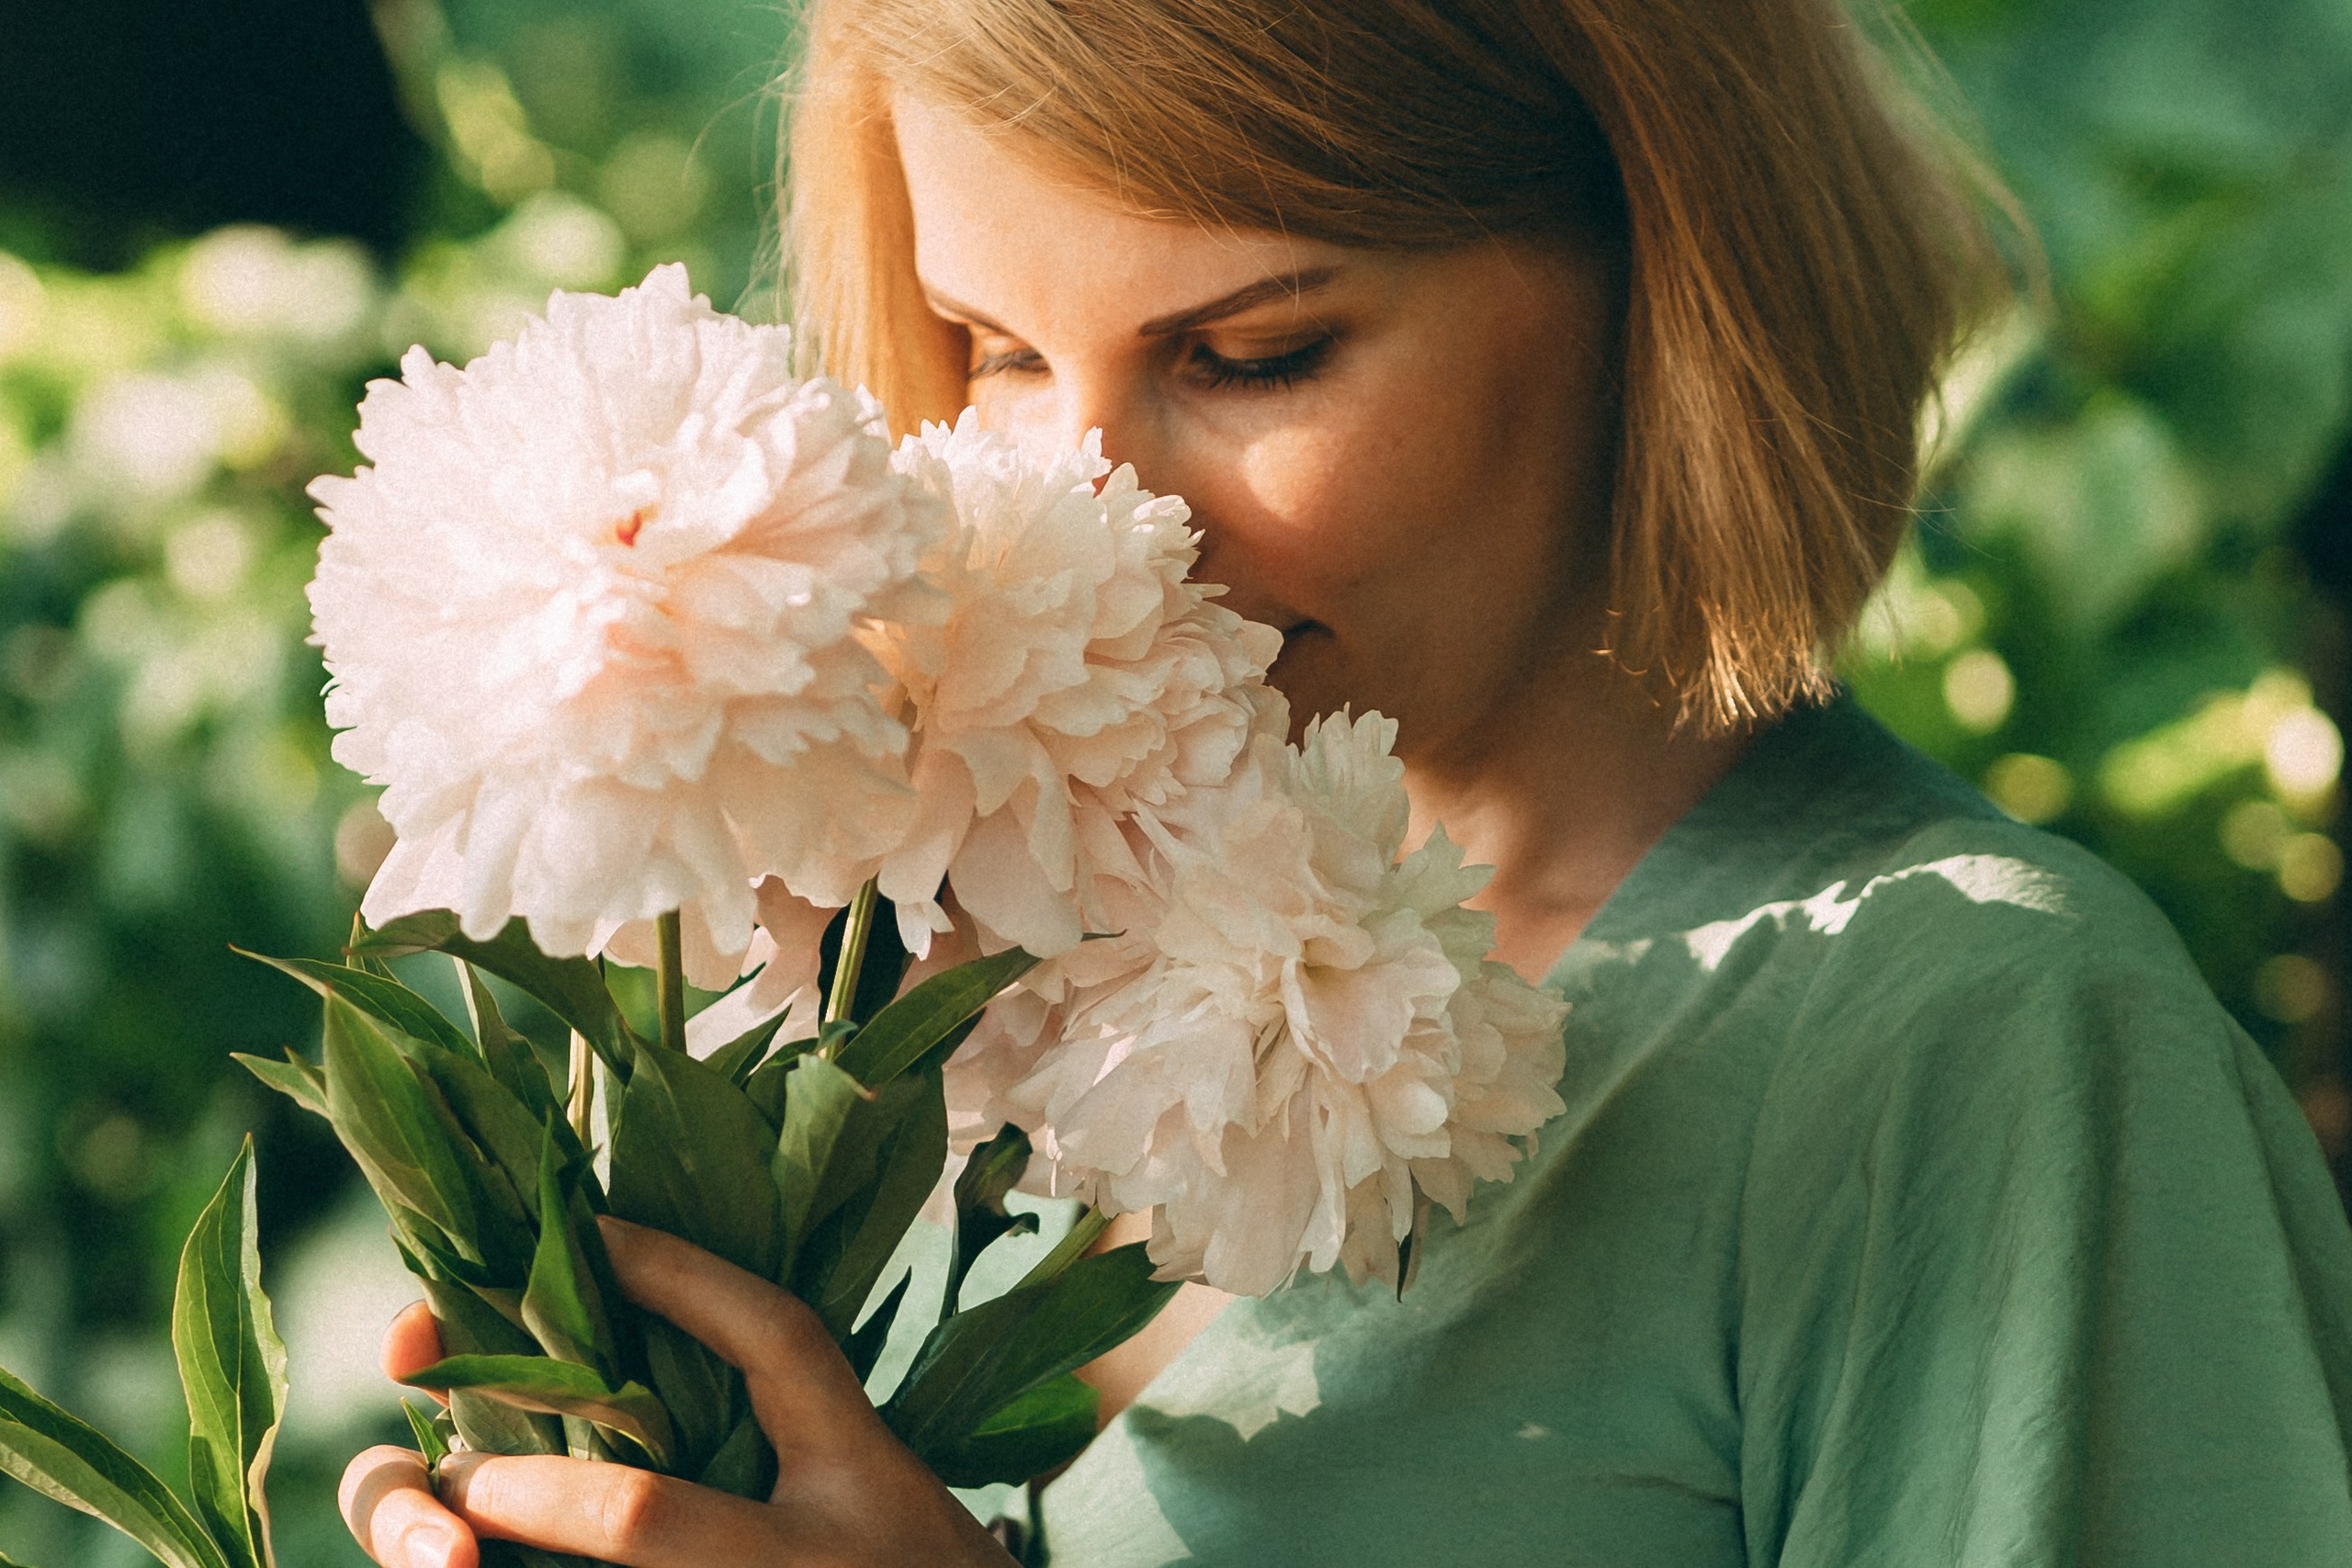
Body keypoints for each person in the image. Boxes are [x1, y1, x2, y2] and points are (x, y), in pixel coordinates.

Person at [339, 0, 2352, 1562]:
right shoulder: (929, 983)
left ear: (1664, 267)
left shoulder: (1977, 1050)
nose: (1084, 509)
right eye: (991, 349)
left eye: (1253, 355)